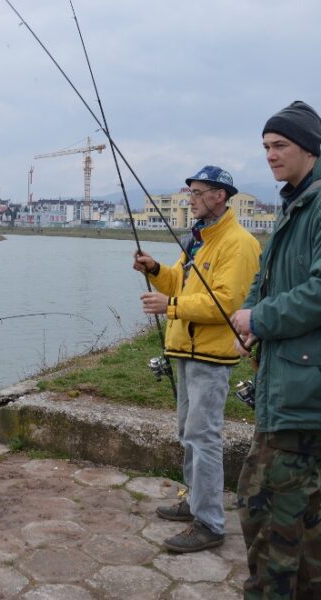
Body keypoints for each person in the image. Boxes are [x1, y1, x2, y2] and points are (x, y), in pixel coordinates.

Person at [133, 165, 260, 553]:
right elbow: (182, 281)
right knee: (188, 433)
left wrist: (170, 307)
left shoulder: (237, 244)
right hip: (186, 350)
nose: (190, 199)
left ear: (219, 196)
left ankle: (210, 522)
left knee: (204, 438)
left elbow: (226, 303)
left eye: (197, 193)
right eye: (189, 193)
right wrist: (156, 271)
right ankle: (193, 502)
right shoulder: (198, 240)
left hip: (211, 355)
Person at [231, 101, 321, 598]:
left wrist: (260, 318)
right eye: (265, 146)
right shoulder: (294, 203)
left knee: (271, 514)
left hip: (303, 392)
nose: (269, 154)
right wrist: (250, 319)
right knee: (281, 514)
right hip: (285, 385)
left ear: (308, 145)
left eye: (280, 145)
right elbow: (264, 281)